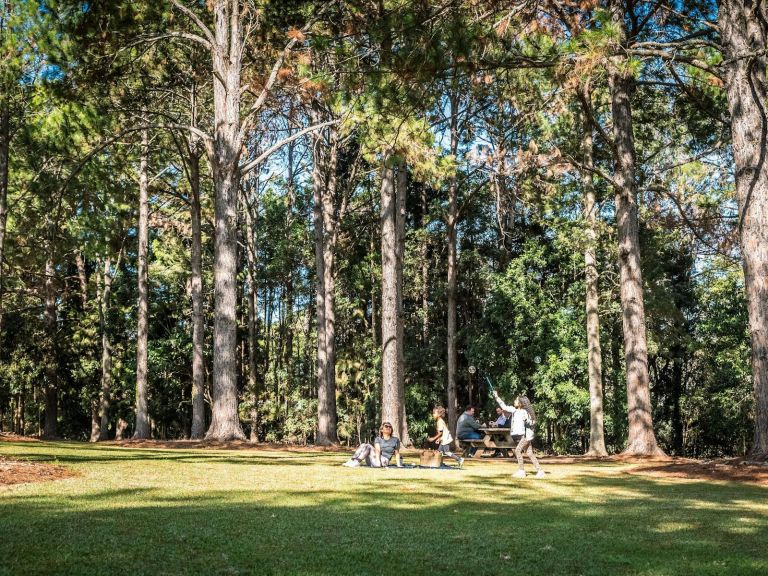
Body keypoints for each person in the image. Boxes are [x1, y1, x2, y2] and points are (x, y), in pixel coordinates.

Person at [492, 391, 544, 478]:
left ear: (520, 403)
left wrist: (531, 422)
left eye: (516, 400)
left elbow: (531, 423)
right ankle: (540, 471)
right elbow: (503, 406)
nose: (514, 401)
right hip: (523, 436)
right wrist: (497, 397)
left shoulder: (524, 412)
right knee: (530, 453)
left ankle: (521, 471)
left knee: (517, 451)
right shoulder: (514, 410)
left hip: (525, 436)